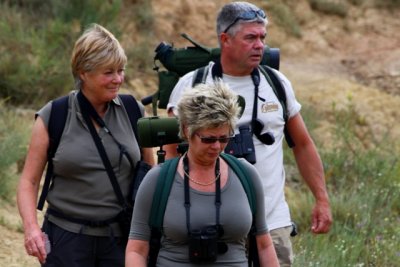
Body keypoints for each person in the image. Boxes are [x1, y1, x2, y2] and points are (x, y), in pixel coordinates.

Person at [165, 2, 333, 266]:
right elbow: (171, 152)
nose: (260, 45)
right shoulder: (192, 85)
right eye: (251, 38)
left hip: (272, 222)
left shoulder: (277, 83)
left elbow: (302, 144)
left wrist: (322, 199)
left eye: (263, 38)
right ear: (225, 40)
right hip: (211, 226)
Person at [16, 23, 154, 266]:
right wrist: (31, 229)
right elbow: (28, 181)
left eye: (121, 70)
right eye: (108, 72)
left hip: (120, 239)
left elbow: (150, 175)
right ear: (83, 72)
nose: (118, 79)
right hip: (66, 240)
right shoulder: (55, 115)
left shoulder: (134, 111)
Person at [126, 81, 279, 267]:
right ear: (186, 130)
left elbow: (264, 244)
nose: (217, 147)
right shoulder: (158, 180)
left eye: (224, 138)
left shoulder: (246, 175)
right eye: (208, 139)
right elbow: (137, 249)